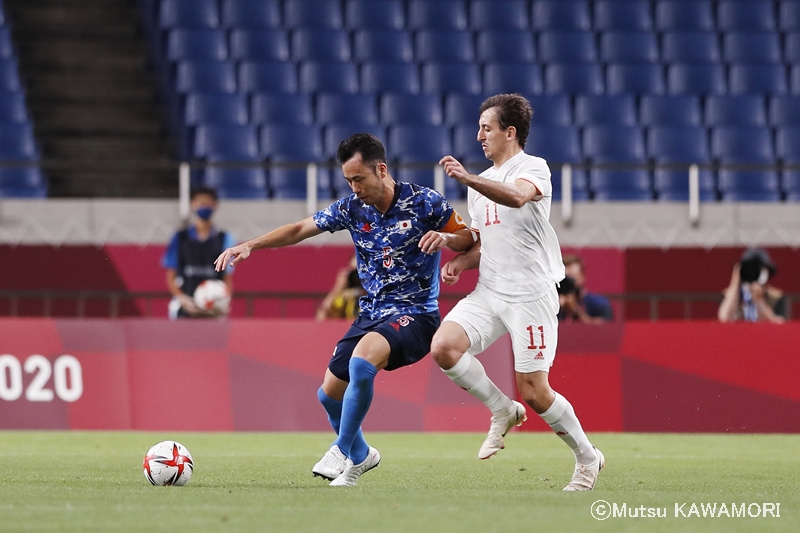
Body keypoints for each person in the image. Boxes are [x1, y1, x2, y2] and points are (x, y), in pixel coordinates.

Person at [214, 133, 473, 486]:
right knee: (328, 394)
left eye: (359, 179)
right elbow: (300, 228)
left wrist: (445, 238)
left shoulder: (424, 202)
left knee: (361, 362)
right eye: (349, 180)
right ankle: (362, 455)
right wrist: (251, 245)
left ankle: (340, 448)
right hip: (372, 314)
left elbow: (468, 236)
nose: (354, 188)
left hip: (416, 314)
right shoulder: (352, 208)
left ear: (381, 170)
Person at [431, 94, 604, 491]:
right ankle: (502, 409)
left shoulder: (533, 168)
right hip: (491, 289)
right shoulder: (480, 184)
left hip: (530, 295)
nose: (479, 136)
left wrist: (467, 179)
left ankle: (587, 457)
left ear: (510, 132)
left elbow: (518, 196)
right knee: (444, 347)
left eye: (486, 128)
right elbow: (484, 240)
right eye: (479, 128)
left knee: (535, 392)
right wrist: (459, 259)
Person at [162, 186, 235, 319]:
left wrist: (223, 301)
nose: (204, 206)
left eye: (208, 203)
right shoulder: (180, 237)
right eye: (201, 203)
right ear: (193, 204)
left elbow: (227, 277)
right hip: (184, 309)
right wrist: (182, 299)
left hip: (213, 310)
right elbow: (170, 275)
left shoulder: (225, 238)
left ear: (215, 205)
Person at [718, 248, 786, 324]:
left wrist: (760, 301)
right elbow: (725, 318)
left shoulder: (775, 297)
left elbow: (778, 324)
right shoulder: (729, 294)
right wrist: (735, 281)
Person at [558, 254, 613, 323]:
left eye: (572, 277)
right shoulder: (554, 303)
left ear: (582, 277)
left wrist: (576, 311)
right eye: (565, 278)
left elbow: (604, 327)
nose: (568, 283)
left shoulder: (600, 304)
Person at [315, 256, 366, 321]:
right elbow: (321, 317)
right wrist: (337, 287)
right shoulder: (342, 297)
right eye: (354, 272)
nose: (357, 276)